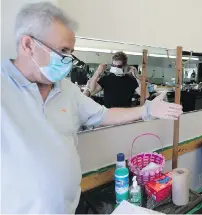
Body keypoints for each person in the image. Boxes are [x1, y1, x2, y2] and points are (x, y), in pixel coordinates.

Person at [1, 2, 182, 213]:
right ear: (28, 45)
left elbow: (103, 115)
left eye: (71, 52)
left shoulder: (66, 89)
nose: (68, 60)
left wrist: (147, 110)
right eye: (63, 51)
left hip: (69, 207)